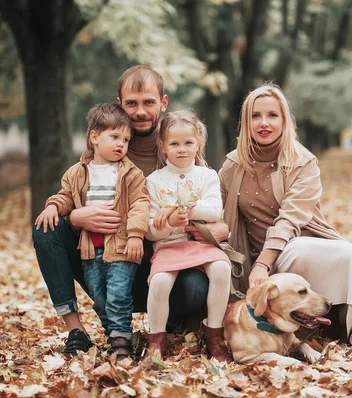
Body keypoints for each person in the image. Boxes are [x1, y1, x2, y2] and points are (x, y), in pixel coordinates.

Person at [32, 65, 229, 356]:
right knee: (46, 229)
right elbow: (72, 193)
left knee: (197, 288)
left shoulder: (179, 146)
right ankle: (76, 330)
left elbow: (210, 204)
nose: (140, 111)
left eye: (148, 102)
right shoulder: (107, 146)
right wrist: (75, 217)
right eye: (131, 103)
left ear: (163, 103)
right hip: (109, 259)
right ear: (119, 104)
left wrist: (216, 229)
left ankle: (169, 323)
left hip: (163, 261)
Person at [219, 84, 352, 343]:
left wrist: (265, 262)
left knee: (344, 253)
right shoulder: (231, 166)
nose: (264, 122)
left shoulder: (303, 163)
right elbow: (218, 217)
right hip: (251, 260)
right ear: (245, 121)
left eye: (272, 115)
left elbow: (290, 219)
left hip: (297, 246)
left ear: (284, 120)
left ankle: (332, 327)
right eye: (255, 115)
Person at [34, 103, 150, 358]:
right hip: (90, 250)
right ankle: (116, 336)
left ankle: (121, 339)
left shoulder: (130, 173)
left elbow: (141, 204)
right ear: (94, 137)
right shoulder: (77, 173)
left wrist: (135, 235)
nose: (121, 144)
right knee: (99, 298)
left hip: (120, 248)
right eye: (115, 137)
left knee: (118, 294)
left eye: (126, 140)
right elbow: (65, 196)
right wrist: (54, 206)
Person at [144, 110, 231, 361]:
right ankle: (156, 342)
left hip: (199, 243)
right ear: (163, 147)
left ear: (198, 144)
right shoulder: (154, 181)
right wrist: (169, 222)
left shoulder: (207, 176)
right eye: (174, 143)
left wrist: (186, 208)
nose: (181, 149)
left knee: (221, 269)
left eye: (188, 143)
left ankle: (215, 336)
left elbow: (215, 211)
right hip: (168, 247)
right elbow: (151, 231)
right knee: (160, 281)